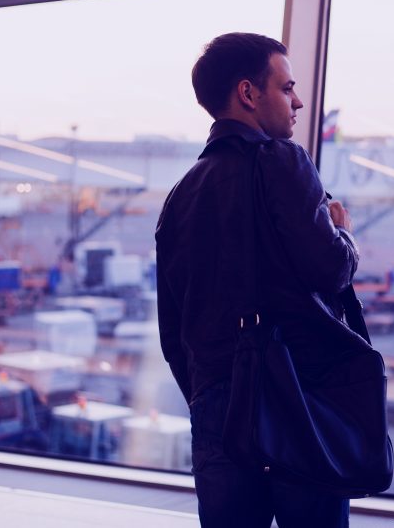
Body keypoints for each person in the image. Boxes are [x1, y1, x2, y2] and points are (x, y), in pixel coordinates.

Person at [155, 33, 363, 528]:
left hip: (217, 410)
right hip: (295, 398)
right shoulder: (283, 161)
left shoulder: (181, 195)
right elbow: (329, 269)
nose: (297, 101)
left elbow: (172, 331)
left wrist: (209, 396)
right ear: (249, 94)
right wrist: (345, 235)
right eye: (286, 87)